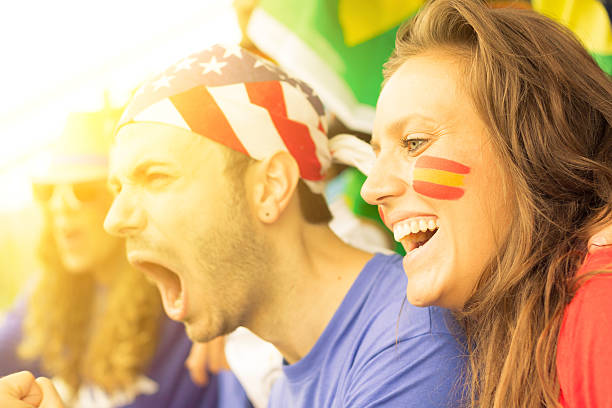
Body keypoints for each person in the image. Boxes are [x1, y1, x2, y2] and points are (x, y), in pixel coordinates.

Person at [99, 44, 466, 407]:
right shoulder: (284, 390)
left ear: (271, 187)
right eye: (117, 189)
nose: (115, 219)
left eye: (155, 177)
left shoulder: (410, 349)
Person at [360, 0, 612, 406]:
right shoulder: (529, 327)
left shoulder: (601, 310)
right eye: (375, 155)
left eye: (414, 143)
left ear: (532, 150)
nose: (371, 190)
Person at [0, 108, 250, 407]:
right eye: (47, 192)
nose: (60, 206)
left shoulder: (184, 297)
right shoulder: (45, 297)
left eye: (83, 190)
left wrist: (225, 313)